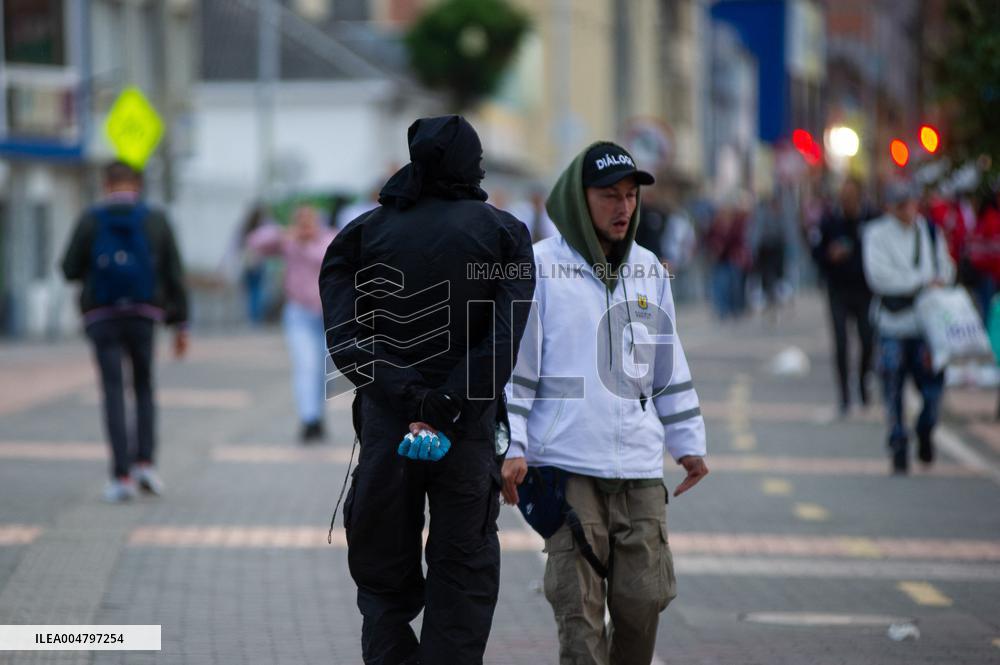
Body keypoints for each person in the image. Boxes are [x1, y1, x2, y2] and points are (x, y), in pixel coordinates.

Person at [320, 115, 535, 665]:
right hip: (464, 432)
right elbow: (501, 342)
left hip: (389, 427)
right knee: (463, 573)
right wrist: (446, 404)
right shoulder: (506, 233)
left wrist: (411, 399)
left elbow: (347, 343)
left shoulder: (361, 235)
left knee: (384, 580)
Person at [501, 141, 709, 665]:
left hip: (639, 468)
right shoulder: (540, 268)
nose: (623, 208)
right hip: (566, 468)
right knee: (580, 618)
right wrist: (513, 445)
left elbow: (668, 366)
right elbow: (517, 372)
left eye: (630, 196)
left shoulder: (649, 271)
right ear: (578, 199)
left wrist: (687, 443)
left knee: (643, 604)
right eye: (609, 195)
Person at [60, 161, 189, 502]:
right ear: (138, 185)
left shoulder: (91, 218)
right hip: (144, 314)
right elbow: (175, 272)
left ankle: (121, 476)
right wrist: (181, 324)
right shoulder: (155, 219)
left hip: (102, 316)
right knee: (144, 386)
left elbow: (69, 269)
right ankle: (145, 462)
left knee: (113, 390)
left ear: (106, 184)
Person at [863, 180, 955, 473]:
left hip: (927, 326)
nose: (908, 209)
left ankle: (926, 430)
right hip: (892, 324)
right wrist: (919, 281)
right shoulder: (877, 235)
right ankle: (899, 443)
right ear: (890, 207)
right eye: (901, 204)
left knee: (933, 389)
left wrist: (936, 281)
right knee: (892, 388)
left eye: (911, 202)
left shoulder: (928, 232)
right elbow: (878, 277)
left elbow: (946, 269)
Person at [246, 204, 336, 442]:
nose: (306, 226)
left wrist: (306, 244)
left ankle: (317, 414)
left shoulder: (328, 239)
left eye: (310, 221)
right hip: (299, 314)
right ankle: (309, 419)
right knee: (306, 365)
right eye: (301, 221)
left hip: (328, 316)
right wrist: (284, 234)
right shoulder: (289, 240)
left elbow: (326, 256)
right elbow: (255, 241)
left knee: (324, 370)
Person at [812, 178, 876, 415]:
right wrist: (830, 255)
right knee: (841, 343)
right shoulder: (830, 221)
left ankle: (862, 383)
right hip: (838, 289)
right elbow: (816, 251)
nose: (846, 200)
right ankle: (844, 396)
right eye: (843, 195)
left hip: (864, 290)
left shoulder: (871, 219)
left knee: (868, 340)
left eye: (851, 196)